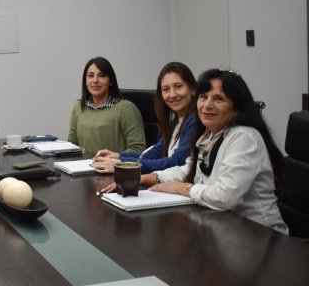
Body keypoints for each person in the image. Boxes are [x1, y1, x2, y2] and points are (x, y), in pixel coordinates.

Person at [101, 69, 288, 233]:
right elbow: (187, 169)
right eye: (203, 97)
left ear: (237, 107)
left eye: (219, 99)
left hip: (258, 235)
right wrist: (147, 178)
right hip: (223, 227)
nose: (207, 105)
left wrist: (182, 188)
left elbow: (225, 197)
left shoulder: (244, 137)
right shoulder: (210, 134)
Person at [92, 62, 198, 174]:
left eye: (178, 86)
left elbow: (177, 162)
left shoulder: (195, 121)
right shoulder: (175, 121)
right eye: (166, 89)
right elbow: (157, 152)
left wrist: (124, 165)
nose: (172, 95)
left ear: (192, 88)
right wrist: (119, 156)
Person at [68, 57, 146, 159]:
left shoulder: (126, 108)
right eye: (90, 76)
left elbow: (138, 149)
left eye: (102, 75)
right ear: (85, 81)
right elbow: (72, 145)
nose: (95, 80)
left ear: (110, 81)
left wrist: (115, 159)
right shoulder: (78, 107)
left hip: (113, 171)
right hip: (82, 170)